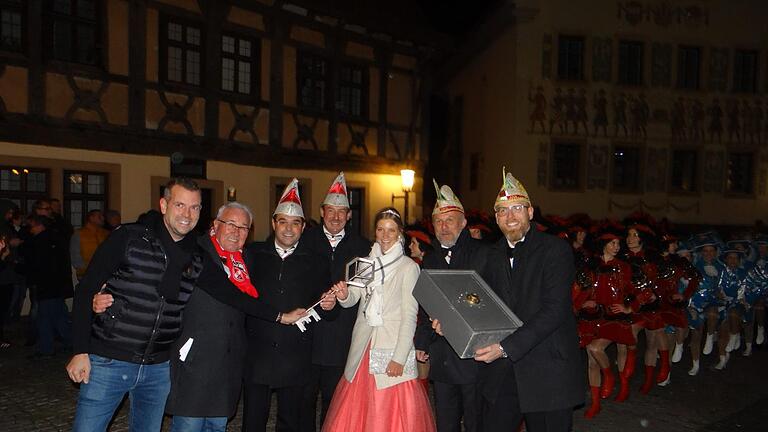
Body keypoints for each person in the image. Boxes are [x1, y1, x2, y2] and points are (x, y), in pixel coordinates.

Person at [91, 202, 309, 432]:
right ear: (215, 225)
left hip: (229, 363)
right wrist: (108, 293)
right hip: (194, 359)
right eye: (230, 224)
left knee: (217, 427)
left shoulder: (248, 260)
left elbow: (258, 298)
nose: (236, 232)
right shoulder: (193, 251)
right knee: (189, 426)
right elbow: (152, 279)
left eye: (243, 227)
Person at [435, 169, 583, 432]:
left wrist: (504, 347)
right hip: (505, 372)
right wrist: (452, 322)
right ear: (496, 219)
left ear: (530, 212)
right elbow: (477, 300)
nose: (510, 216)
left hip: (546, 367)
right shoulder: (493, 254)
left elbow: (554, 310)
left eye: (517, 208)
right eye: (503, 211)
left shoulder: (555, 250)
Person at [66, 178, 204, 432]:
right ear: (164, 205)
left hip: (158, 368)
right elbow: (86, 290)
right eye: (180, 205)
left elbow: (228, 292)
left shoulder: (196, 256)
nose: (187, 214)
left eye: (194, 207)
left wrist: (278, 315)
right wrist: (79, 350)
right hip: (109, 359)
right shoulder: (129, 237)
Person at [323, 207, 436, 432]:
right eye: (380, 229)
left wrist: (400, 357)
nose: (385, 235)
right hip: (364, 346)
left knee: (388, 415)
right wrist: (344, 295)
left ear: (399, 233)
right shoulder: (365, 263)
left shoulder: (408, 267)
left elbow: (409, 315)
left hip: (391, 346)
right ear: (375, 232)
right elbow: (354, 298)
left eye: (391, 230)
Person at [242, 179, 336, 432]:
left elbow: (328, 308)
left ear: (303, 227)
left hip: (295, 356)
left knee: (291, 423)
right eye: (282, 221)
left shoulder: (315, 262)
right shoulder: (253, 255)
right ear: (273, 223)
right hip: (257, 353)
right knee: (253, 421)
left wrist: (330, 305)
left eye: (295, 223)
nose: (288, 229)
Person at [301, 172, 371, 432]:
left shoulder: (364, 247)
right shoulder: (304, 241)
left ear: (349, 215)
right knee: (303, 401)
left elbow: (364, 292)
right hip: (307, 335)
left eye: (342, 212)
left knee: (335, 402)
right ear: (321, 212)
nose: (336, 216)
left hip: (342, 336)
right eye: (331, 210)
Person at [414, 180, 486, 432]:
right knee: (445, 421)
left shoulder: (482, 254)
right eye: (439, 222)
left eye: (450, 221)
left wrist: (455, 327)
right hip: (442, 355)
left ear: (463, 222)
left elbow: (486, 304)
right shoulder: (431, 258)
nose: (444, 227)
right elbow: (426, 303)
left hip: (473, 356)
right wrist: (422, 341)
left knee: (476, 421)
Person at [19, 214, 73, 357]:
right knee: (59, 315)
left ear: (39, 225)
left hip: (46, 285)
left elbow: (36, 265)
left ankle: (46, 348)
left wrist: (20, 268)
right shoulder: (54, 239)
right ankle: (70, 342)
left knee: (45, 318)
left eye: (31, 226)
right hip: (56, 285)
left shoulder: (40, 242)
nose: (30, 230)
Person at [70, 209, 110, 280]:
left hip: (103, 273)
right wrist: (84, 269)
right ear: (91, 218)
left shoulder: (106, 233)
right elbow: (75, 255)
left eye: (102, 216)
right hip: (85, 274)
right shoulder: (79, 233)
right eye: (99, 216)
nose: (103, 218)